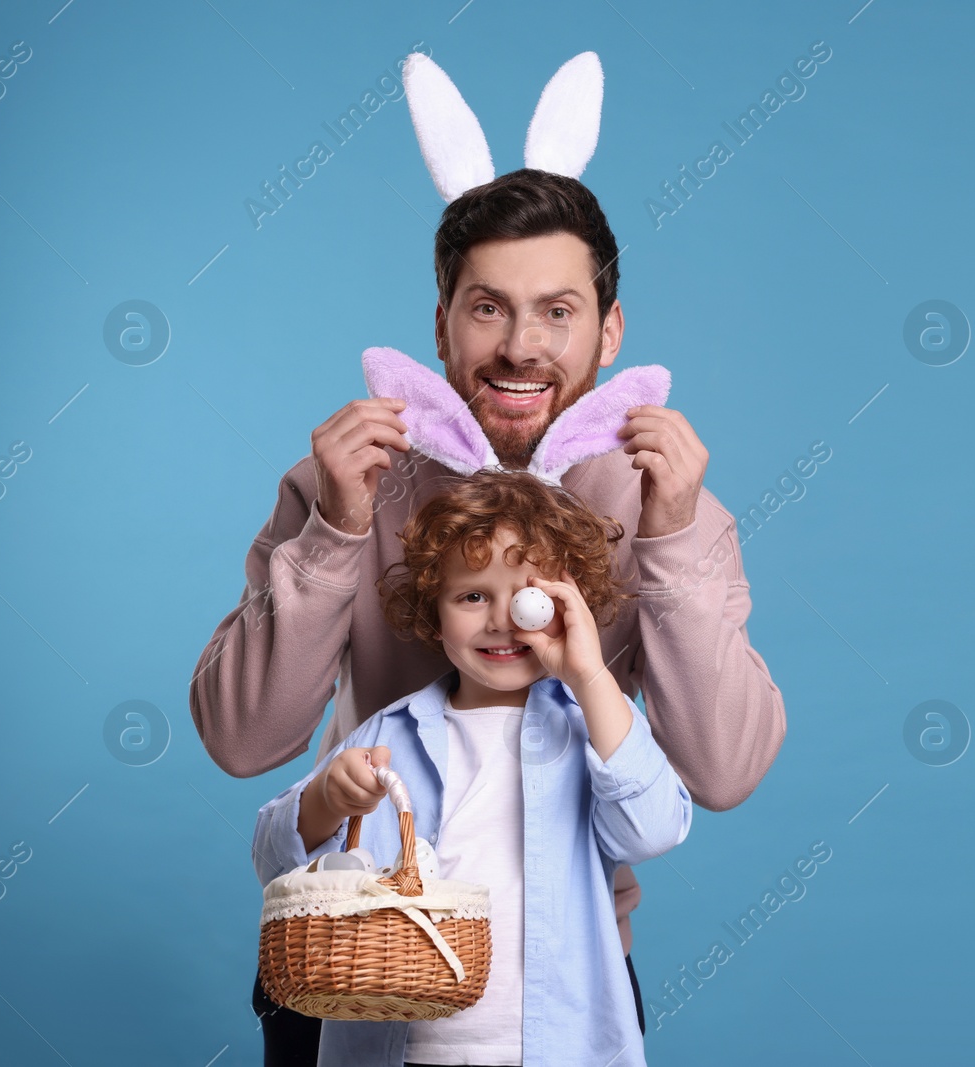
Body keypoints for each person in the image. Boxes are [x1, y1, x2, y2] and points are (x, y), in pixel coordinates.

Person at [190, 169, 786, 1063]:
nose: (520, 347)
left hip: (559, 983)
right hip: (355, 960)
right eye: (488, 309)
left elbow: (724, 772)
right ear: (441, 324)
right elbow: (245, 741)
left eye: (558, 311)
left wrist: (669, 545)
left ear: (609, 330)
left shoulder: (667, 503)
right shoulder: (346, 485)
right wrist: (335, 530)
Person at [253, 470, 690, 1066]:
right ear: (435, 613)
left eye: (529, 597)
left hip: (557, 1044)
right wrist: (327, 799)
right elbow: (274, 861)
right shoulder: (389, 734)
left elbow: (655, 828)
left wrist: (590, 676)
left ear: (569, 608)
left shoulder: (596, 726)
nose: (502, 620)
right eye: (473, 595)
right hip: (400, 1046)